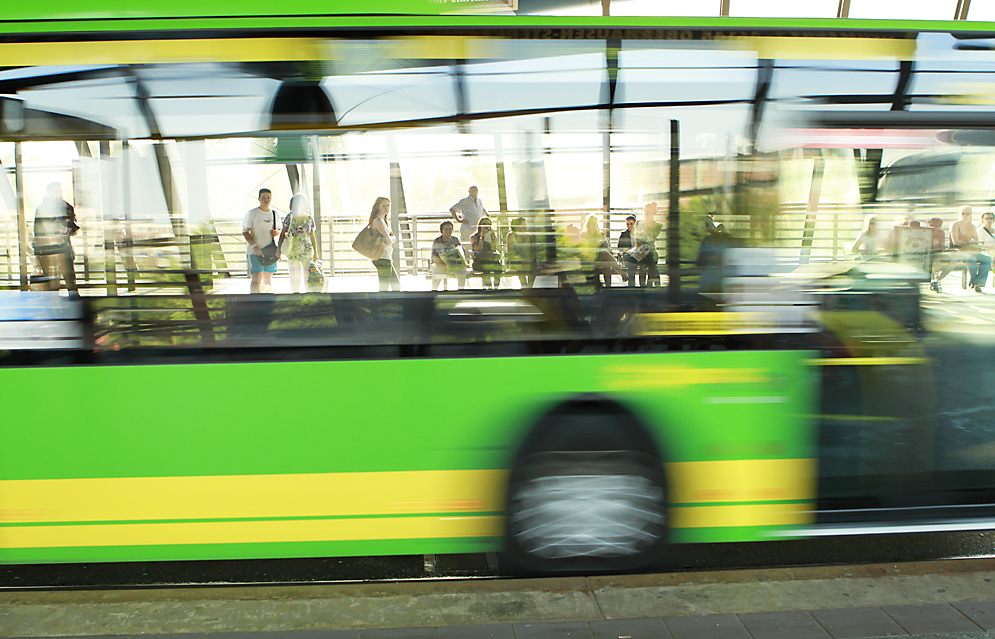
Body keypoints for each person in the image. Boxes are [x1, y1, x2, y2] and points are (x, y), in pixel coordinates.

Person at [33, 182, 79, 293]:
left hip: (63, 248)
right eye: (55, 191)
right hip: (48, 250)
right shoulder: (42, 209)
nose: (58, 194)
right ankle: (55, 305)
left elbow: (73, 227)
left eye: (59, 191)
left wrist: (67, 230)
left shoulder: (67, 207)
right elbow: (38, 231)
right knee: (52, 283)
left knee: (70, 280)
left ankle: (72, 304)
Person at [242, 188, 281, 294]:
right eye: (263, 197)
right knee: (256, 279)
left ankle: (267, 302)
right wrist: (254, 246)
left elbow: (279, 230)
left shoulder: (274, 214)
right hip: (256, 250)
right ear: (259, 198)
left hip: (269, 250)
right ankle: (254, 302)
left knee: (267, 279)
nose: (266, 200)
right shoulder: (252, 213)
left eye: (268, 197)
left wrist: (276, 232)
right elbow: (245, 231)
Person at [277, 194, 317, 294]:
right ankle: (296, 294)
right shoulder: (289, 217)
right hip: (292, 250)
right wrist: (279, 249)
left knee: (308, 274)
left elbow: (312, 235)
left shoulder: (309, 219)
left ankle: (309, 293)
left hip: (306, 250)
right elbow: (283, 233)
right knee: (294, 276)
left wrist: (316, 253)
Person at [950, 205, 991, 292]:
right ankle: (975, 283)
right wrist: (968, 242)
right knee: (971, 259)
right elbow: (955, 242)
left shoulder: (972, 227)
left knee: (987, 259)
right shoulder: (955, 224)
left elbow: (976, 240)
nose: (964, 216)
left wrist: (974, 243)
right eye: (963, 213)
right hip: (960, 252)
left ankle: (977, 283)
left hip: (971, 251)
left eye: (967, 214)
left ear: (971, 215)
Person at [581, 214, 625, 289]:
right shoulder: (584, 235)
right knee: (604, 257)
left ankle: (608, 288)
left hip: (598, 257)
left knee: (606, 263)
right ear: (588, 224)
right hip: (589, 258)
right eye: (592, 222)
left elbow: (607, 248)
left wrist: (600, 244)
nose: (594, 225)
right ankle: (622, 273)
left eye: (595, 223)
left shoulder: (600, 234)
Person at [368, 196, 400, 292]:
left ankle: (390, 304)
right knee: (386, 286)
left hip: (385, 256)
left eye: (388, 206)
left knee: (394, 285)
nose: (387, 208)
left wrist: (391, 238)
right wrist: (393, 238)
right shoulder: (378, 221)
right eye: (384, 206)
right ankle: (383, 304)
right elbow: (388, 240)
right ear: (378, 207)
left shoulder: (383, 221)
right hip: (382, 257)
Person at [431, 220, 467, 291]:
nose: (448, 231)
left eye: (450, 229)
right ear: (441, 230)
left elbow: (461, 253)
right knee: (437, 271)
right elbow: (434, 256)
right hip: (440, 263)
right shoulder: (437, 241)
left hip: (454, 263)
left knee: (462, 270)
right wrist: (442, 265)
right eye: (446, 229)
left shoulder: (455, 240)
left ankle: (461, 290)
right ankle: (434, 291)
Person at [506, 217, 537, 288]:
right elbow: (511, 251)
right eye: (523, 226)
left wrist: (529, 260)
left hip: (527, 259)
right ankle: (524, 285)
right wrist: (521, 259)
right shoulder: (511, 236)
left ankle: (529, 287)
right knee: (519, 265)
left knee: (533, 266)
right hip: (516, 259)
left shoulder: (529, 236)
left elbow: (532, 251)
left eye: (526, 226)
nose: (525, 228)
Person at [470, 217, 501, 290]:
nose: (486, 226)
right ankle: (490, 287)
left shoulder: (491, 235)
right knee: (486, 266)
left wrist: (493, 239)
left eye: (488, 224)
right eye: (484, 224)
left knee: (498, 266)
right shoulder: (474, 237)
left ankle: (496, 287)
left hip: (490, 259)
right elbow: (478, 250)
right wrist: (482, 237)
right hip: (479, 261)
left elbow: (493, 249)